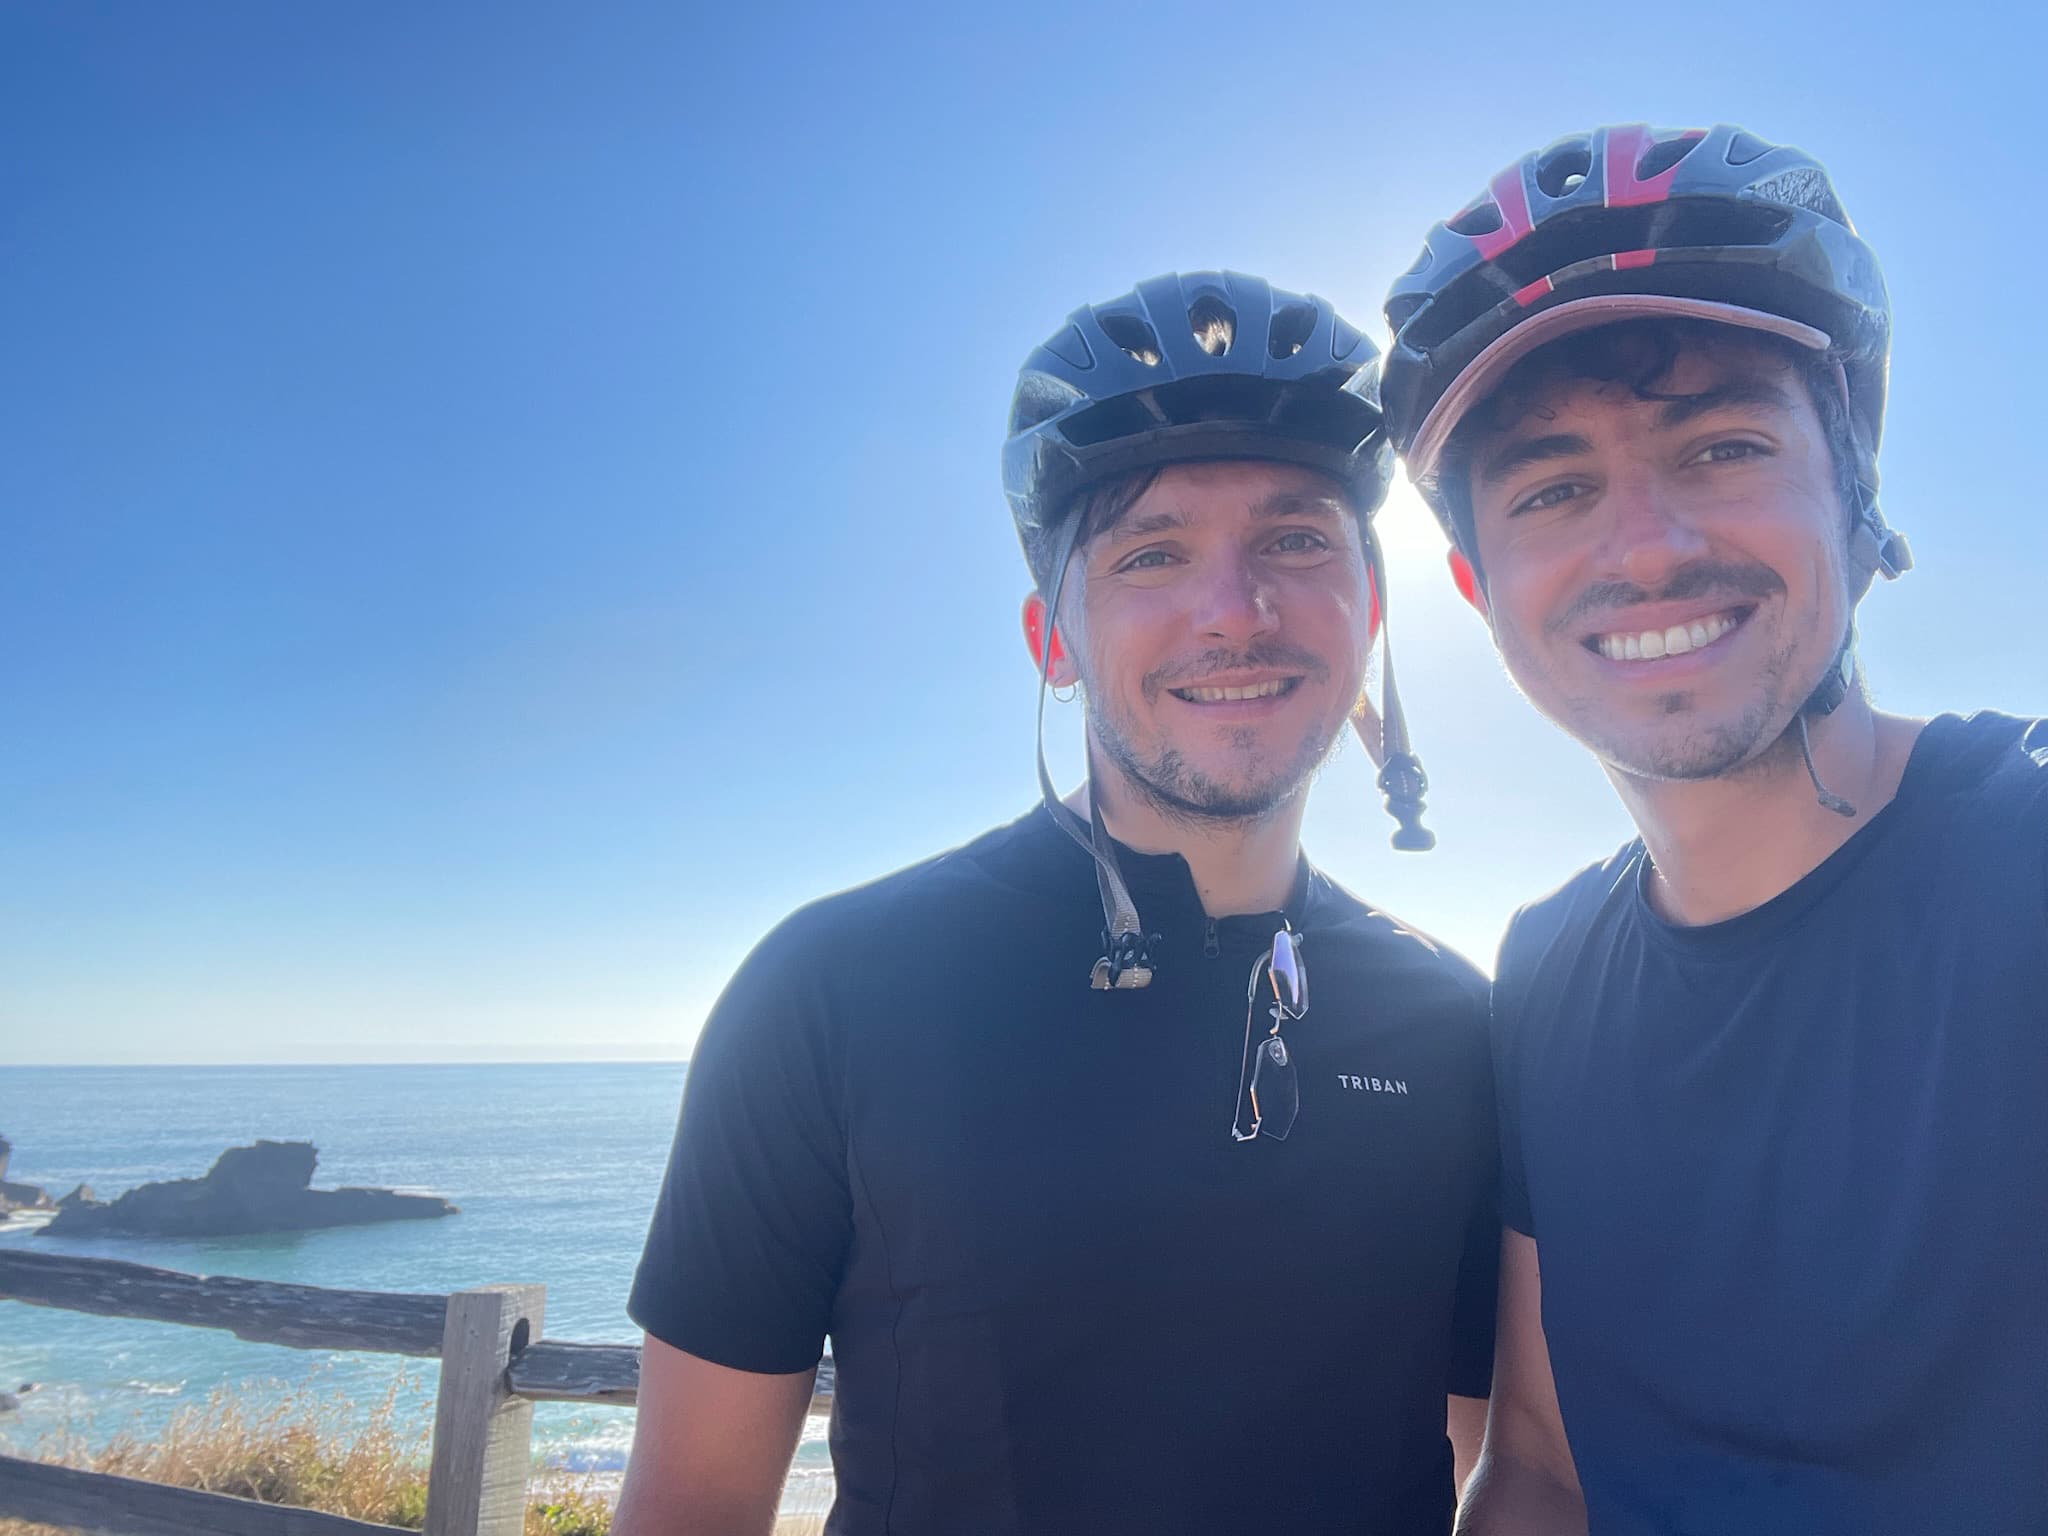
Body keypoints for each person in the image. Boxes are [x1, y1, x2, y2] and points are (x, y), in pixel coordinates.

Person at [614, 271, 1500, 1536]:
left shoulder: (1452, 1024)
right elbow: (693, 1505)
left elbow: (1474, 1462)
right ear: (1053, 640)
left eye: (1296, 539)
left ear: (1369, 604)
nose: (1231, 610)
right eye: (1150, 553)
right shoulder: (835, 987)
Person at [1376, 123, 2048, 1534]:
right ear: (1475, 584)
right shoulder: (1548, 974)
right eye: (1555, 488)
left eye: (1725, 443)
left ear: (1853, 479)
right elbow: (1546, 1470)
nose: (1649, 548)